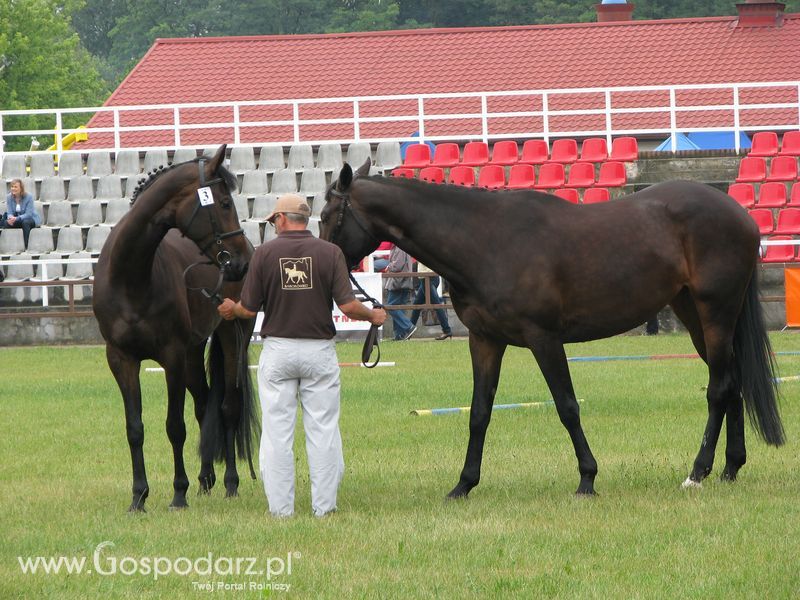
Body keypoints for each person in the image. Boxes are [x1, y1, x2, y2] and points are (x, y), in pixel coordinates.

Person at [217, 193, 386, 518]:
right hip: (318, 351)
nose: (273, 225)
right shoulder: (330, 253)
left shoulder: (265, 254)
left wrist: (230, 309)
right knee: (323, 429)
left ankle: (281, 510)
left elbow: (249, 308)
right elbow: (348, 306)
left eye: (273, 220)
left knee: (277, 432)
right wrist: (373, 317)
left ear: (281, 218)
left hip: (278, 350)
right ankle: (324, 508)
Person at [410, 262, 453, 340]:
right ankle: (409, 330)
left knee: (436, 305)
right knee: (417, 304)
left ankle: (447, 330)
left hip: (427, 277)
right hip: (428, 277)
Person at [384, 244, 416, 340]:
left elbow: (397, 266)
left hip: (398, 282)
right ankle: (399, 335)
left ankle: (408, 327)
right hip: (403, 282)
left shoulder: (399, 247)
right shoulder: (401, 246)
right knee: (399, 307)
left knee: (391, 306)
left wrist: (389, 267)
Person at [3, 179, 41, 247]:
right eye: (12, 187)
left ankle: (26, 246)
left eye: (15, 187)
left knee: (25, 222)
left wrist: (16, 218)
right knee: (6, 223)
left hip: (30, 219)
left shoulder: (29, 197)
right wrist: (10, 218)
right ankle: (11, 245)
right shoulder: (9, 197)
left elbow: (29, 214)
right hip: (17, 219)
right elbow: (9, 212)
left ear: (21, 188)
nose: (13, 188)